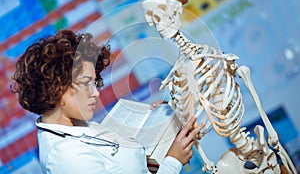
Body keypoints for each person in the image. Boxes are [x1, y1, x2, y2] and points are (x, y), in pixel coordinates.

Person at [11, 29, 203, 174]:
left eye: (95, 82)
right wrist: (174, 161)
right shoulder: (65, 156)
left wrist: (159, 126)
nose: (96, 93)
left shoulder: (76, 125)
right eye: (86, 84)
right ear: (57, 87)